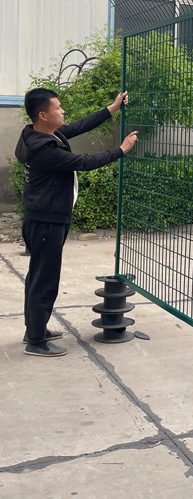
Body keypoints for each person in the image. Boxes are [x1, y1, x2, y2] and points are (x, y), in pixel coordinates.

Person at [14, 88, 139, 358]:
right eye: (58, 108)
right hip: (46, 222)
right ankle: (36, 341)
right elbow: (83, 162)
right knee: (44, 281)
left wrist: (112, 108)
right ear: (43, 115)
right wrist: (121, 150)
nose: (63, 111)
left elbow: (78, 126)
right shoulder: (43, 149)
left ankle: (35, 329)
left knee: (38, 277)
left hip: (43, 218)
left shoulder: (40, 134)